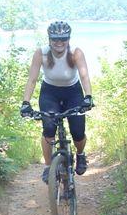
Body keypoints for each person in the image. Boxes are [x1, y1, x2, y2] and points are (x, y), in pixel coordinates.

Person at [20, 21, 94, 183]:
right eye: (55, 39)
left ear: (68, 39)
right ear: (49, 39)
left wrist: (88, 96)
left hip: (73, 92)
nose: (59, 42)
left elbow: (84, 76)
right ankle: (48, 166)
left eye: (63, 39)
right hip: (50, 93)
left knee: (78, 131)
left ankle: (80, 155)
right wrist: (26, 102)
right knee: (48, 129)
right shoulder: (41, 53)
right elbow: (32, 80)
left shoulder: (76, 53)